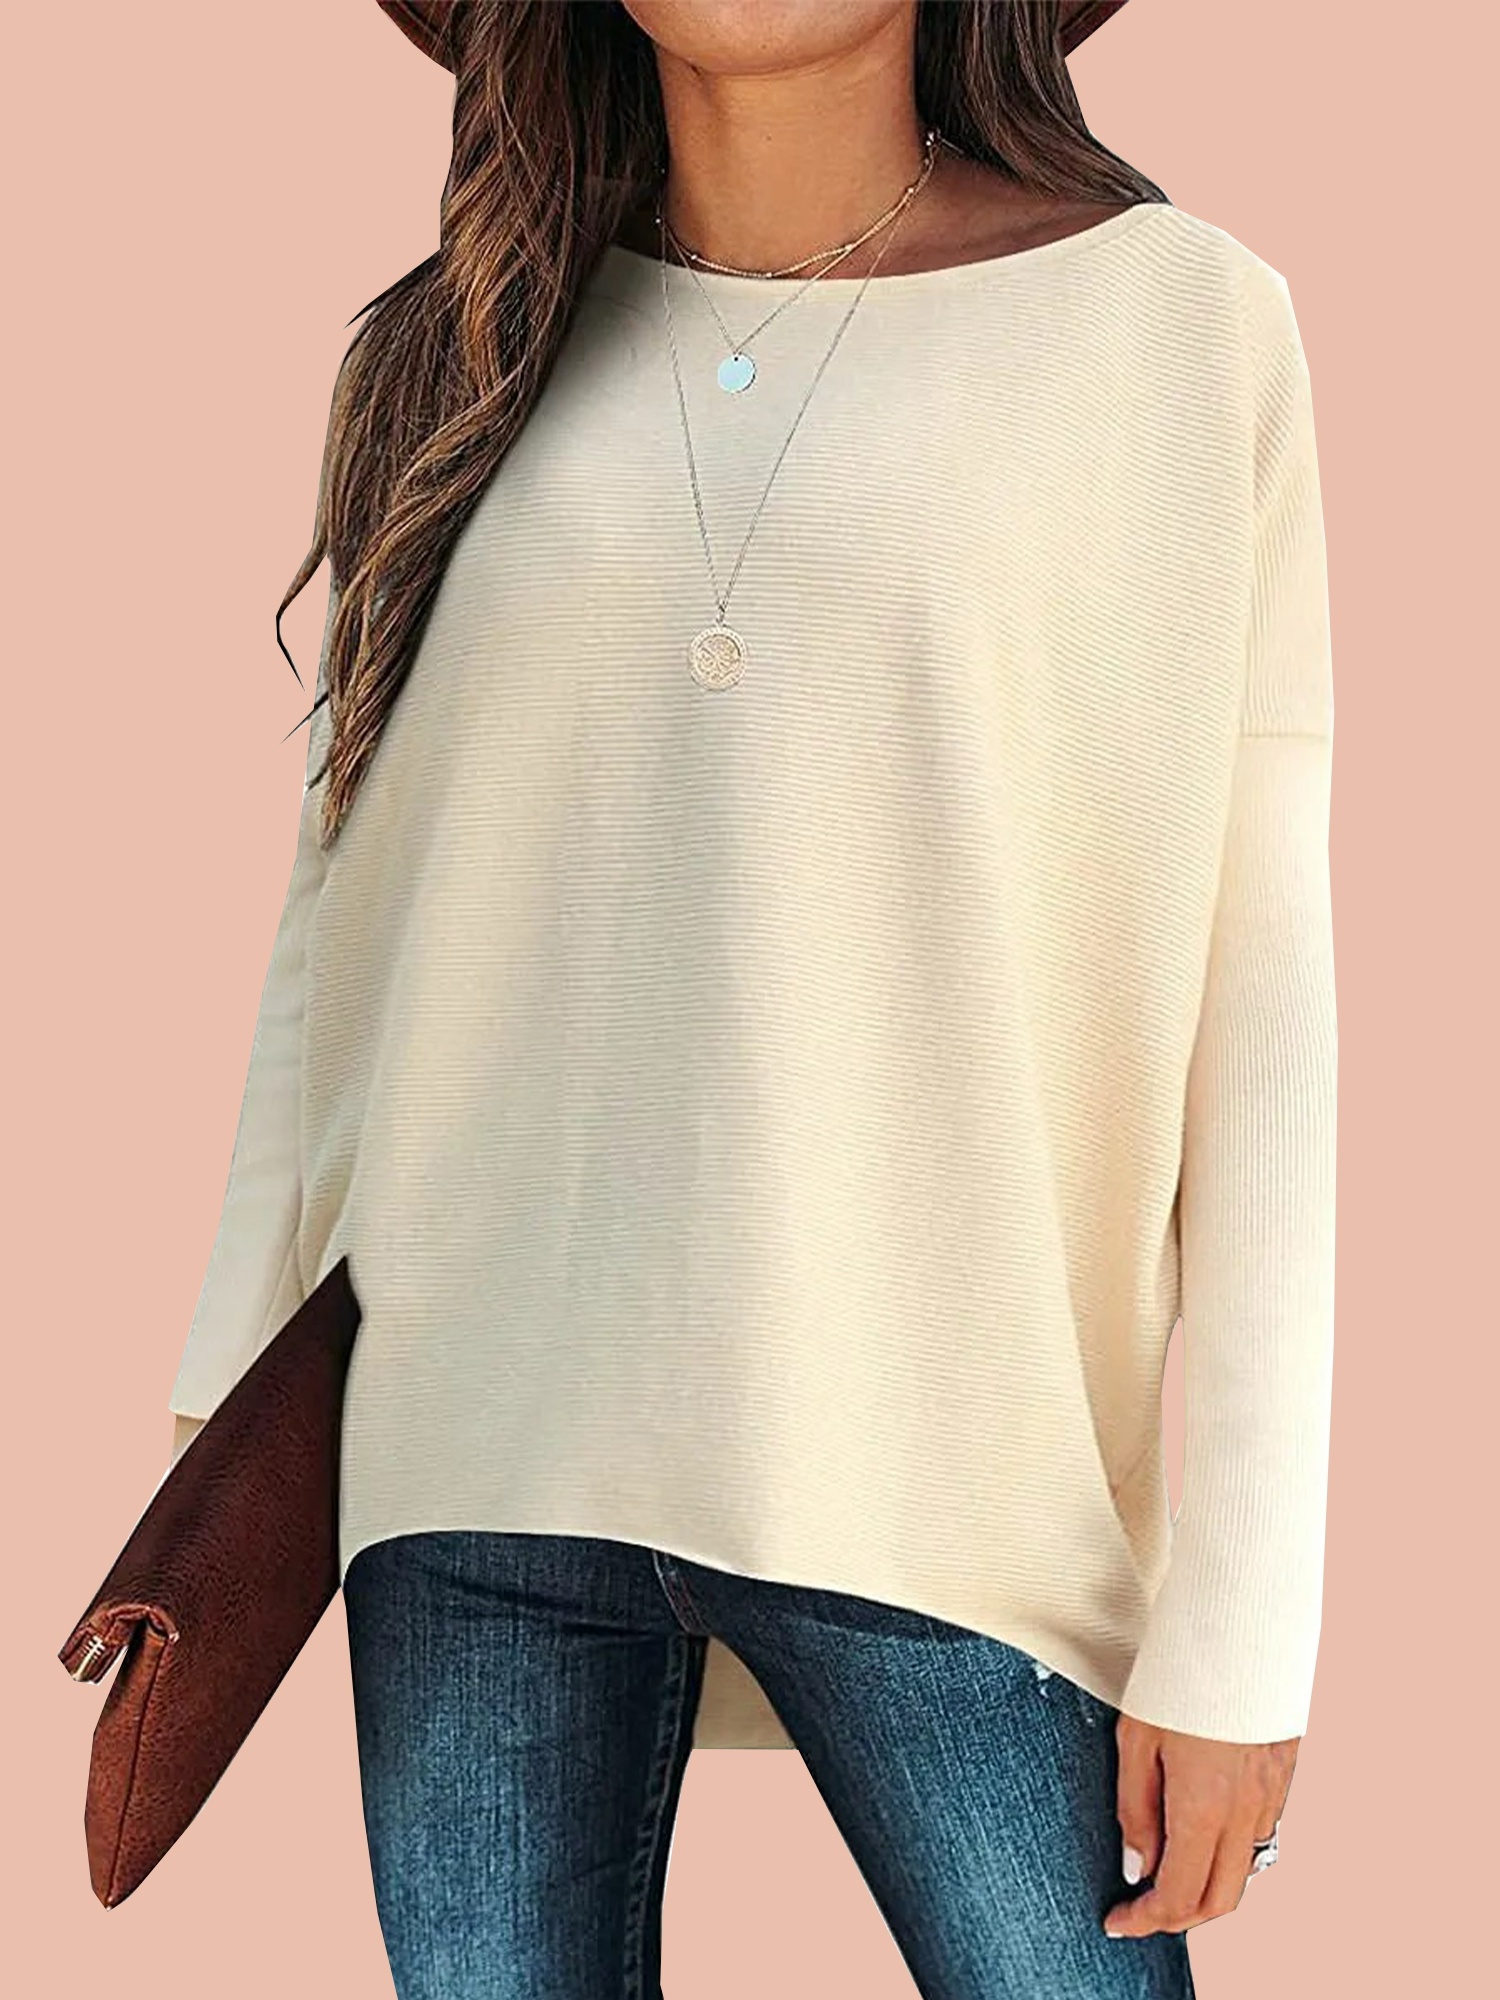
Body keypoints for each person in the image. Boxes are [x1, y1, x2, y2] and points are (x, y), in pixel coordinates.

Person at [166, 3, 1337, 1994]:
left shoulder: (1176, 326)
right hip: (469, 1439)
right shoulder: (450, 349)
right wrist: (222, 1428)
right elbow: (338, 913)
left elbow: (1265, 992)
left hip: (943, 1458)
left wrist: (1243, 1626)